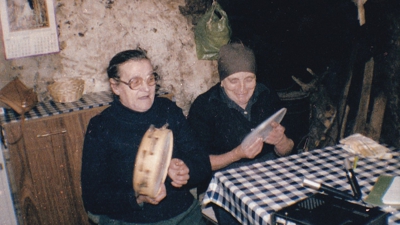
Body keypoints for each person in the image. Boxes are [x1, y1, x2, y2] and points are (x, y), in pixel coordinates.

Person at [81, 49, 211, 225]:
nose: (146, 88)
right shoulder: (102, 126)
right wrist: (138, 197)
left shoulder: (168, 110)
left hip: (183, 213)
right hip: (133, 219)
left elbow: (201, 161)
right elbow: (93, 197)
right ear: (115, 86)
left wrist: (185, 170)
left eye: (150, 79)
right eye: (135, 81)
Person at [187, 42, 294, 225]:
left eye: (249, 79)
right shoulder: (205, 106)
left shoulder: (266, 95)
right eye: (234, 80)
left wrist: (281, 141)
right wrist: (237, 154)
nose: (242, 89)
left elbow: (289, 149)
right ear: (222, 80)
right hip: (226, 182)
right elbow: (198, 164)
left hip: (269, 172)